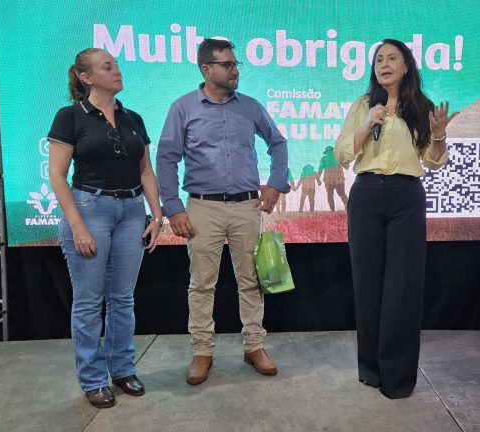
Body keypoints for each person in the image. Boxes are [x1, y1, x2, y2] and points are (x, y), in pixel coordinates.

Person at [156, 38, 290, 386]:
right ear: (206, 69)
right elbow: (166, 159)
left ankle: (254, 346)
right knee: (202, 284)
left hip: (247, 206)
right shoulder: (183, 108)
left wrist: (275, 183)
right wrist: (173, 208)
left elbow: (278, 143)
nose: (235, 71)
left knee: (252, 281)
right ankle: (202, 351)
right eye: (227, 65)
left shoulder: (250, 107)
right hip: (203, 207)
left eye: (235, 64)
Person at [335, 39, 458, 399]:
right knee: (367, 284)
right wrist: (366, 125)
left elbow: (433, 160)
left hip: (406, 197)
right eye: (378, 60)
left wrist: (438, 137)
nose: (384, 64)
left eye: (392, 58)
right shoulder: (363, 105)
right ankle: (371, 369)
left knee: (402, 287)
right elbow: (342, 154)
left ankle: (398, 377)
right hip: (366, 195)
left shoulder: (421, 106)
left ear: (406, 66)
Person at [48, 48, 162, 408]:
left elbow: (146, 171)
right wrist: (77, 225)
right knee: (88, 302)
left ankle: (123, 369)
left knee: (123, 298)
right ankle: (93, 379)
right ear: (86, 77)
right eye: (107, 66)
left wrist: (157, 215)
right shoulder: (70, 117)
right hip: (90, 209)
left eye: (116, 65)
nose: (117, 71)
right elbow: (57, 175)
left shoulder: (133, 118)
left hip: (132, 211)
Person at [316, 145, 348, 211]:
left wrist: (318, 179)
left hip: (330, 180)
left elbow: (320, 169)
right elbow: (346, 166)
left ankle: (333, 209)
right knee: (341, 194)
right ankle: (346, 206)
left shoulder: (324, 159)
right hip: (338, 180)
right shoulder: (338, 157)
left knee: (330, 195)